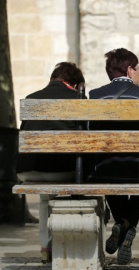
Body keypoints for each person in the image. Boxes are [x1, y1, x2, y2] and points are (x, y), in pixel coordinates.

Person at [88, 48, 139, 265]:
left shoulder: (95, 96)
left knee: (110, 176)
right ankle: (126, 224)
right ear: (130, 70)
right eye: (138, 69)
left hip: (104, 168)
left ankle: (121, 223)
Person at [16, 62, 86, 263]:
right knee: (79, 179)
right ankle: (74, 243)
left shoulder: (31, 99)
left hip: (28, 170)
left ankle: (46, 246)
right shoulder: (78, 99)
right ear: (74, 83)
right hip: (63, 170)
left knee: (46, 196)